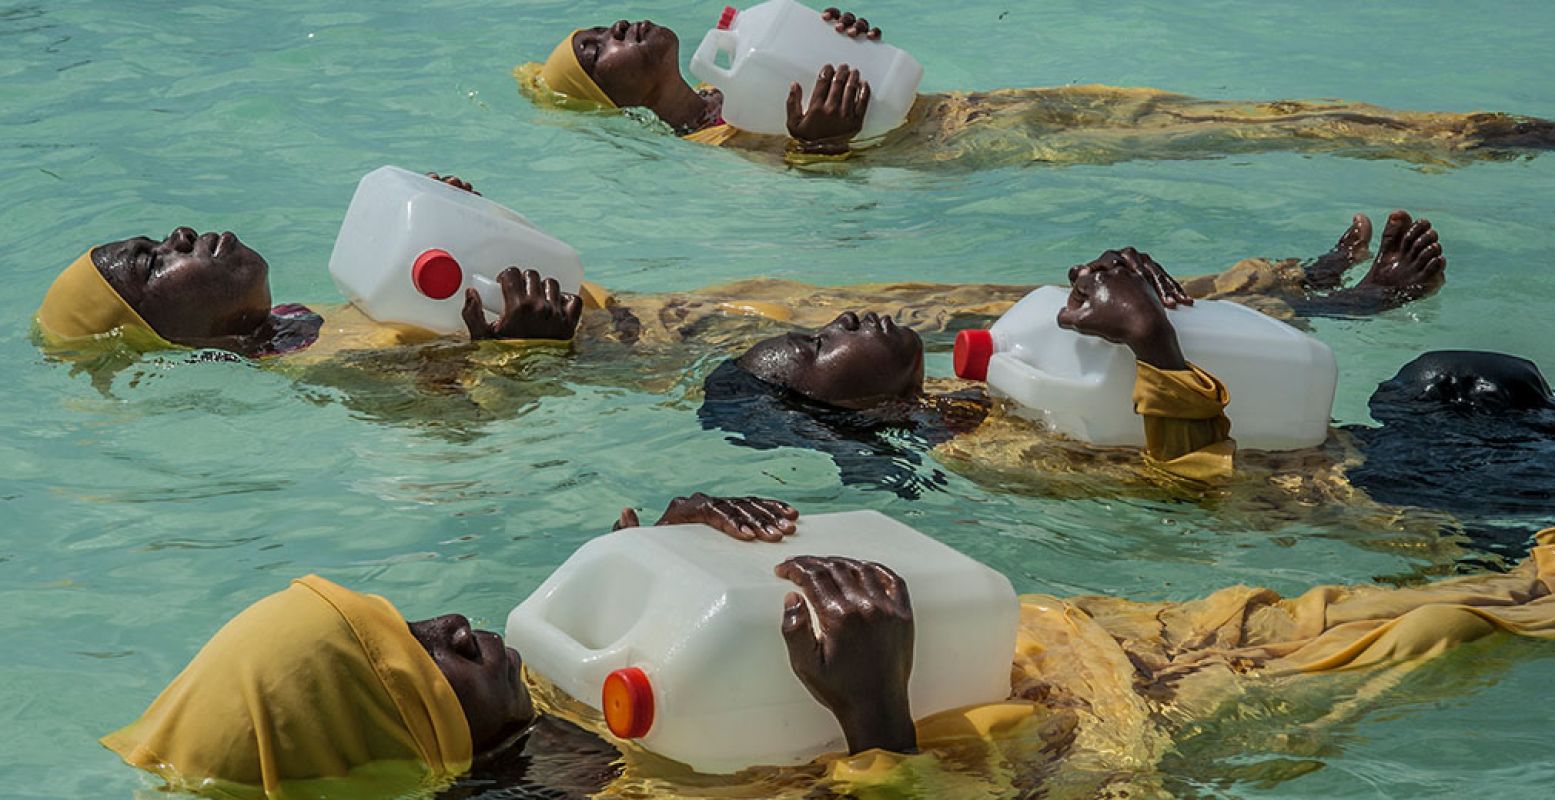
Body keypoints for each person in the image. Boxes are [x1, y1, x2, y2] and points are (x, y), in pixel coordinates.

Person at [105, 502, 1555, 799]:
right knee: (1441, 631)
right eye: (404, 655)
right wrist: (868, 719)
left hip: (1064, 644)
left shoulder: (540, 695)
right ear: (399, 744)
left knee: (1453, 588)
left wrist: (707, 538)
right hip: (1104, 749)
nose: (444, 623)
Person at [697, 211, 1447, 497]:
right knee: (1452, 384)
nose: (847, 318)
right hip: (1357, 496)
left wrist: (1143, 298)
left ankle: (1343, 299)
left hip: (1328, 446)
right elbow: (1187, 487)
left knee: (1439, 385)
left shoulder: (987, 380)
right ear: (829, 408)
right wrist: (1152, 342)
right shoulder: (972, 451)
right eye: (820, 344)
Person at [517, 9, 1555, 169]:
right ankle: (1475, 138)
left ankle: (1474, 133)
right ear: (606, 98)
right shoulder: (712, 146)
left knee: (1245, 117)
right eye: (596, 48)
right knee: (1240, 138)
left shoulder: (727, 76)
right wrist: (821, 151)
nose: (617, 28)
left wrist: (859, 40)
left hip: (977, 111)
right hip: (973, 155)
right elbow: (831, 206)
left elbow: (884, 82)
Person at [32, 174, 586, 362]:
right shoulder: (319, 376)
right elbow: (465, 437)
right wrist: (525, 352)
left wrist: (464, 223)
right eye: (152, 261)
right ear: (165, 335)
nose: (178, 234)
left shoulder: (296, 324)